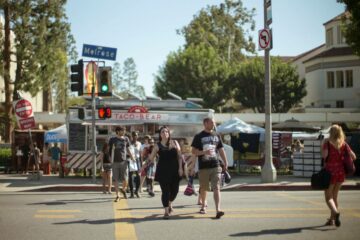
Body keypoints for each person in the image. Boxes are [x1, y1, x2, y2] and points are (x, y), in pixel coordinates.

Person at [191, 117, 228, 219]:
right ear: (205, 123)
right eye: (212, 122)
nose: (214, 124)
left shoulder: (217, 135)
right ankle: (203, 205)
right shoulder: (199, 136)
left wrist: (225, 162)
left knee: (216, 187)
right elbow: (193, 151)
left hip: (215, 165)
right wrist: (204, 152)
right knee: (204, 188)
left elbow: (221, 149)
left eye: (214, 122)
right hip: (203, 167)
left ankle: (218, 210)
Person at [321, 124, 356, 227]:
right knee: (335, 197)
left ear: (331, 132)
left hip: (330, 173)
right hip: (341, 172)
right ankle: (331, 220)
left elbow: (324, 156)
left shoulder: (327, 143)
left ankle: (335, 213)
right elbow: (353, 157)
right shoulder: (343, 143)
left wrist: (323, 144)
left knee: (328, 198)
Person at [148, 126, 183, 219]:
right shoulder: (157, 145)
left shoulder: (175, 143)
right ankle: (166, 211)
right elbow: (151, 158)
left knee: (175, 191)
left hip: (175, 170)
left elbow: (180, 156)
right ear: (160, 134)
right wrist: (143, 166)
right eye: (163, 132)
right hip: (162, 171)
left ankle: (170, 202)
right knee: (165, 192)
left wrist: (180, 168)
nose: (165, 133)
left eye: (166, 132)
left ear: (169, 133)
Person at [109, 126, 135, 202]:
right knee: (115, 179)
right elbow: (109, 149)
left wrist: (132, 157)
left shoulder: (126, 139)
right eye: (122, 130)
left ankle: (123, 189)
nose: (124, 132)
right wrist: (110, 158)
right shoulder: (112, 139)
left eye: (124, 130)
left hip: (124, 161)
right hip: (115, 162)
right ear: (117, 131)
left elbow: (128, 149)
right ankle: (117, 195)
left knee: (125, 179)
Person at [128, 132, 141, 198]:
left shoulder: (139, 143)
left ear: (137, 136)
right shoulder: (129, 143)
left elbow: (140, 153)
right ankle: (132, 192)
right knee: (130, 176)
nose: (134, 137)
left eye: (136, 135)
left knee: (138, 176)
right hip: (130, 160)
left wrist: (141, 162)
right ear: (132, 136)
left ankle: (136, 191)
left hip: (137, 160)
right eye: (133, 135)